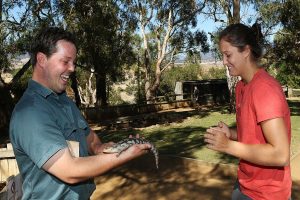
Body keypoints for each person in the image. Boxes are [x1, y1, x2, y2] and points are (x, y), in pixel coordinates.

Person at [9, 27, 151, 200]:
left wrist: (100, 148)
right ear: (41, 59)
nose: (72, 68)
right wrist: (122, 155)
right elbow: (70, 171)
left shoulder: (64, 101)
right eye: (66, 61)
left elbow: (89, 137)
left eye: (74, 62)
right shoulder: (30, 112)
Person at [204, 23, 292, 200]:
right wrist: (231, 134)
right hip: (245, 184)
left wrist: (228, 146)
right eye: (222, 55)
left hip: (268, 193)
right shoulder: (241, 86)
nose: (224, 61)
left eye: (228, 55)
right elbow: (253, 136)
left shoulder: (264, 89)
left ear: (246, 51)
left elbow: (281, 154)